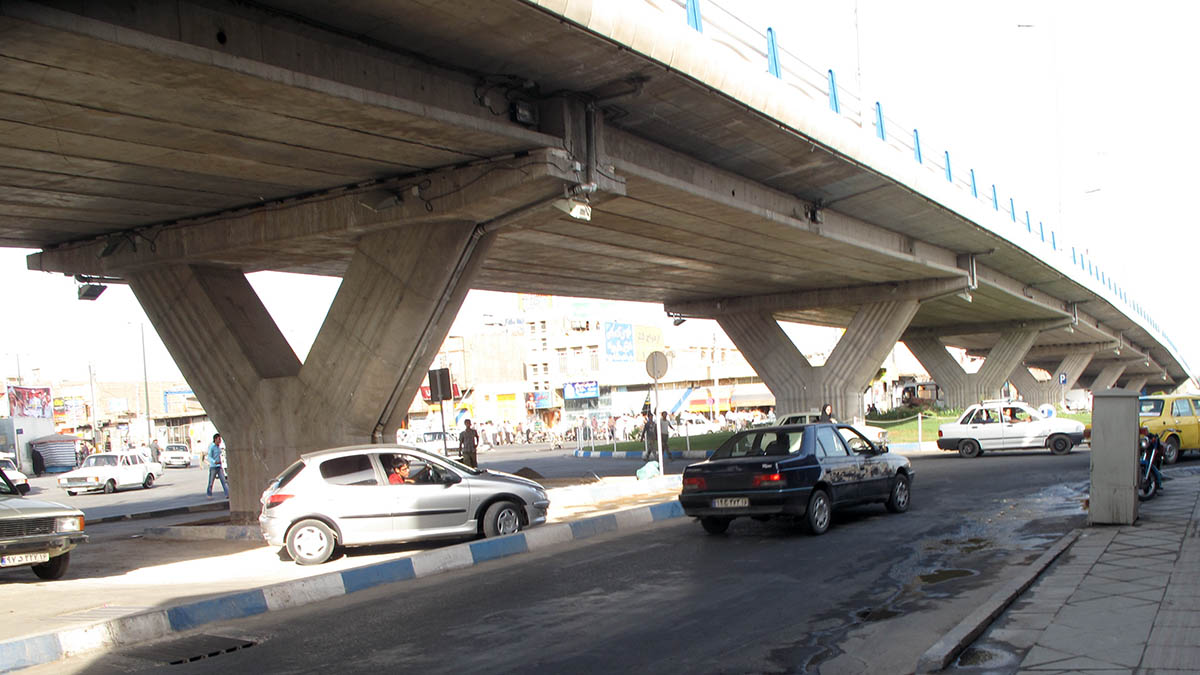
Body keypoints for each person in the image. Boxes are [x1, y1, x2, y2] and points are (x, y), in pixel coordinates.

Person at [205, 433, 228, 499]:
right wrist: (214, 461)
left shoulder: (218, 447)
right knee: (211, 482)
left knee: (224, 481)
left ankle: (227, 494)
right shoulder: (212, 447)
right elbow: (209, 457)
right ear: (215, 439)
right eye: (219, 439)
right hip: (213, 467)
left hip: (219, 466)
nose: (220, 441)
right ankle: (209, 494)